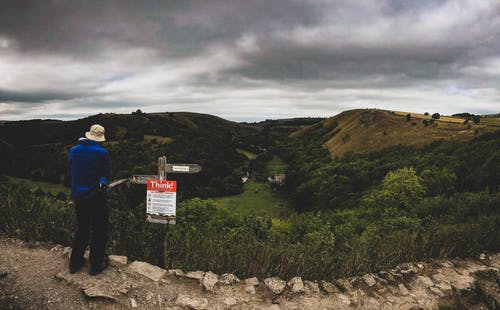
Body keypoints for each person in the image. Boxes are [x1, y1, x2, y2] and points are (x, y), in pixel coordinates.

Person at [68, 124, 111, 275]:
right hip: (96, 196)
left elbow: (72, 169)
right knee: (99, 230)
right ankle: (95, 265)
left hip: (79, 196)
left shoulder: (74, 151)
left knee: (82, 229)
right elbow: (106, 175)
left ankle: (75, 263)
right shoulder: (102, 153)